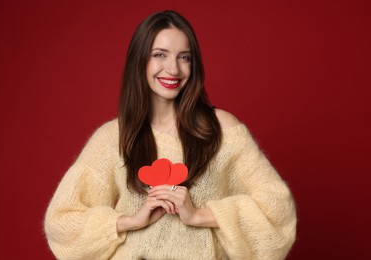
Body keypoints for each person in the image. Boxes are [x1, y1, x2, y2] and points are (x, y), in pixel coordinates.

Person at [44, 10, 296, 260]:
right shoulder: (113, 137)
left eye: (184, 57)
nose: (173, 69)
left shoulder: (221, 129)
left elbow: (276, 209)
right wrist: (130, 221)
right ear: (140, 60)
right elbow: (62, 221)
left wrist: (197, 215)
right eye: (160, 55)